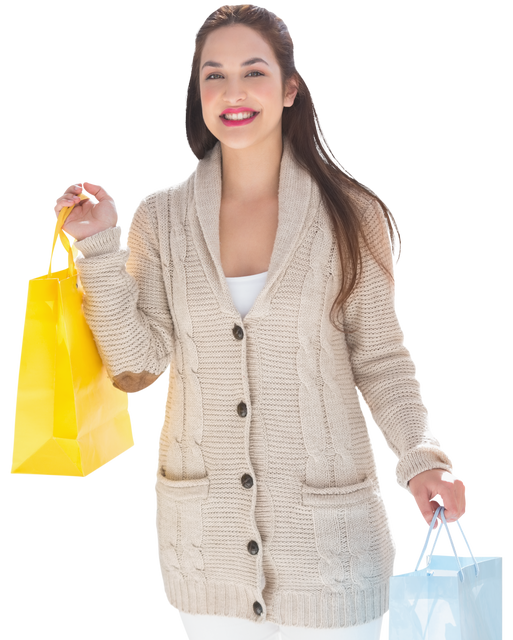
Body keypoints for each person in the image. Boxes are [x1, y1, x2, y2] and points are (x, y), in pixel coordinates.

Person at [51, 3, 468, 639]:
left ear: (290, 87)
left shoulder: (347, 214)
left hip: (331, 551)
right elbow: (139, 364)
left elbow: (382, 360)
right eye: (214, 75)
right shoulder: (160, 216)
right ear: (197, 93)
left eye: (253, 72)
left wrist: (422, 459)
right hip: (206, 551)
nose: (234, 92)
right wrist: (99, 249)